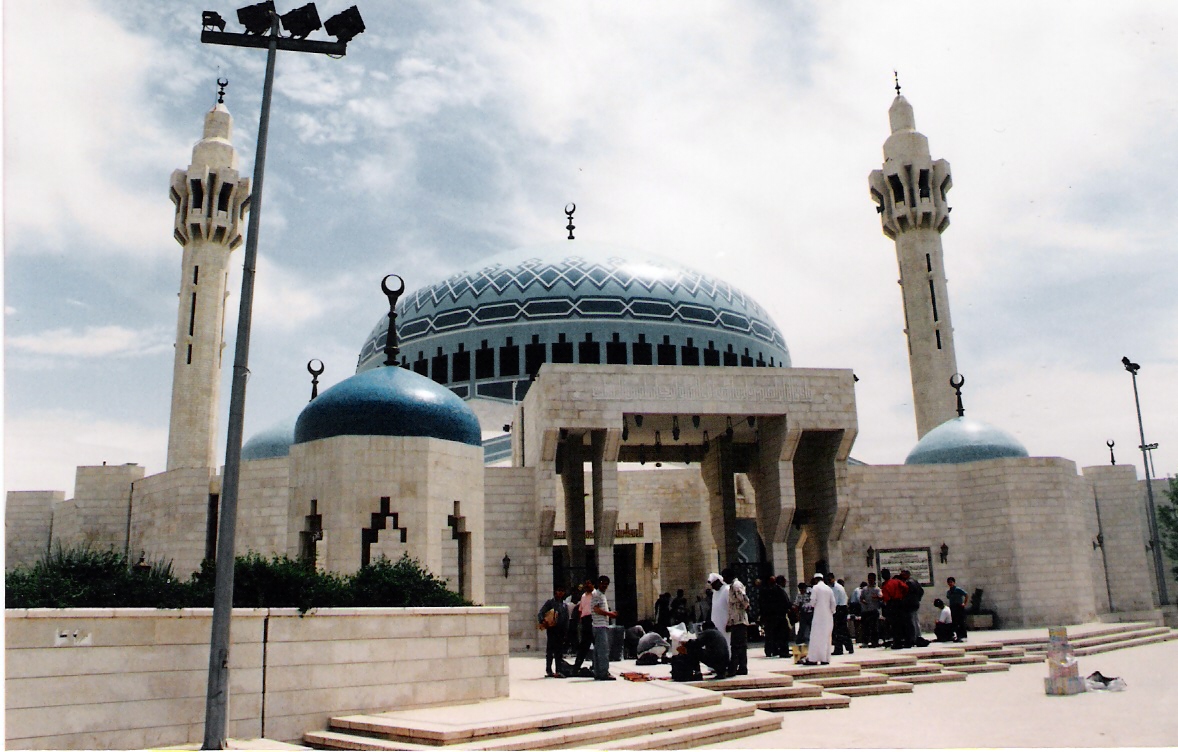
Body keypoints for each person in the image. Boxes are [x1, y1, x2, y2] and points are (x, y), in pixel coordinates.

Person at [537, 584, 570, 678]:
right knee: (550, 650)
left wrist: (566, 631)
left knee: (559, 651)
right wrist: (543, 621)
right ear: (555, 592)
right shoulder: (550, 603)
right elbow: (541, 613)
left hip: (561, 631)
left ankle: (558, 670)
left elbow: (566, 619)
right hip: (552, 630)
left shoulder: (564, 605)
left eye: (562, 591)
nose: (560, 593)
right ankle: (549, 670)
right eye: (559, 591)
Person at [803, 573, 837, 665]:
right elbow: (833, 603)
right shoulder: (828, 589)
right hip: (828, 617)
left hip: (818, 616)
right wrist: (831, 612)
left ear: (815, 580)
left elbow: (812, 601)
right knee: (826, 637)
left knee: (816, 637)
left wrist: (811, 606)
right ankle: (825, 659)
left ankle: (813, 659)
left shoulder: (815, 588)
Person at [722, 568, 750, 675]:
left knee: (738, 646)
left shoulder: (736, 585)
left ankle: (738, 668)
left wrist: (746, 609)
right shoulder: (731, 586)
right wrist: (729, 622)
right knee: (737, 645)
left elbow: (744, 599)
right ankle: (739, 667)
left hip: (740, 621)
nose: (724, 579)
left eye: (725, 577)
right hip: (735, 621)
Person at [590, 575, 618, 681]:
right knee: (603, 650)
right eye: (602, 583)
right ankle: (604, 672)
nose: (604, 585)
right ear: (598, 583)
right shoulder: (597, 594)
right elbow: (596, 609)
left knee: (598, 650)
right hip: (600, 625)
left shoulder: (601, 595)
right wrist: (610, 614)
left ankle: (598, 672)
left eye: (606, 584)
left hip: (599, 625)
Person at [569, 579, 596, 674]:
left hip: (594, 620)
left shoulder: (596, 594)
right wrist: (580, 622)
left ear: (593, 584)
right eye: (586, 583)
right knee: (584, 645)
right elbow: (581, 610)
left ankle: (596, 666)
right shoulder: (583, 596)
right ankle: (577, 667)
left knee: (596, 645)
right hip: (585, 621)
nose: (587, 585)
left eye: (589, 583)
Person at [760, 575, 788, 658]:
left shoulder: (765, 591)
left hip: (769, 616)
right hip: (779, 615)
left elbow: (762, 603)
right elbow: (785, 602)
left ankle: (771, 651)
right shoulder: (779, 590)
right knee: (782, 634)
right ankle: (783, 651)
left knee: (770, 634)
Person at [879, 568, 908, 648]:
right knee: (901, 623)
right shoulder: (897, 581)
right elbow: (905, 587)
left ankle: (897, 642)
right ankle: (904, 640)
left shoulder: (885, 585)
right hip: (900, 603)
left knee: (894, 624)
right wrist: (902, 595)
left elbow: (886, 598)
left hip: (891, 604)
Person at [900, 570, 927, 647]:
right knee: (915, 619)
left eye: (903, 575)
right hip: (915, 603)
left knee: (912, 621)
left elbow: (907, 594)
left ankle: (914, 637)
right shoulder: (915, 581)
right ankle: (918, 636)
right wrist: (918, 599)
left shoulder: (908, 583)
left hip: (910, 604)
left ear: (907, 575)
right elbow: (921, 591)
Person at [830, 575, 854, 655]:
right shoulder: (834, 587)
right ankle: (842, 648)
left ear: (833, 579)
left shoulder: (837, 588)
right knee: (841, 630)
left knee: (840, 630)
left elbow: (835, 601)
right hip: (840, 608)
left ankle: (842, 648)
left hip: (840, 609)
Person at [707, 573, 730, 651]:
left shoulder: (727, 590)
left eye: (713, 584)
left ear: (719, 581)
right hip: (716, 624)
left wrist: (729, 622)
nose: (712, 587)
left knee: (727, 642)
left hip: (725, 623)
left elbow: (731, 608)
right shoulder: (715, 592)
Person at [858, 573, 882, 647]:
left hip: (874, 610)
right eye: (869, 579)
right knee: (865, 627)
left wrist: (876, 597)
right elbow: (861, 598)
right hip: (865, 611)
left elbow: (881, 597)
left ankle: (874, 642)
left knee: (874, 627)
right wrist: (863, 601)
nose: (870, 580)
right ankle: (865, 642)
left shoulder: (877, 589)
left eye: (872, 579)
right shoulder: (865, 589)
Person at [792, 580, 813, 663]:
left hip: (811, 614)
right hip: (803, 615)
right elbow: (796, 605)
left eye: (803, 589)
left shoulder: (810, 593)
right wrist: (797, 614)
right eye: (800, 590)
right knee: (802, 630)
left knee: (812, 630)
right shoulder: (799, 596)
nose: (802, 591)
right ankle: (800, 643)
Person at [946, 576, 969, 642]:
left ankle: (963, 635)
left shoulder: (958, 589)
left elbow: (966, 595)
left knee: (961, 621)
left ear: (954, 582)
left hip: (959, 607)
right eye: (949, 582)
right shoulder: (949, 592)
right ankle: (958, 635)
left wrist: (964, 603)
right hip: (953, 608)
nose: (950, 583)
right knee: (955, 622)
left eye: (951, 582)